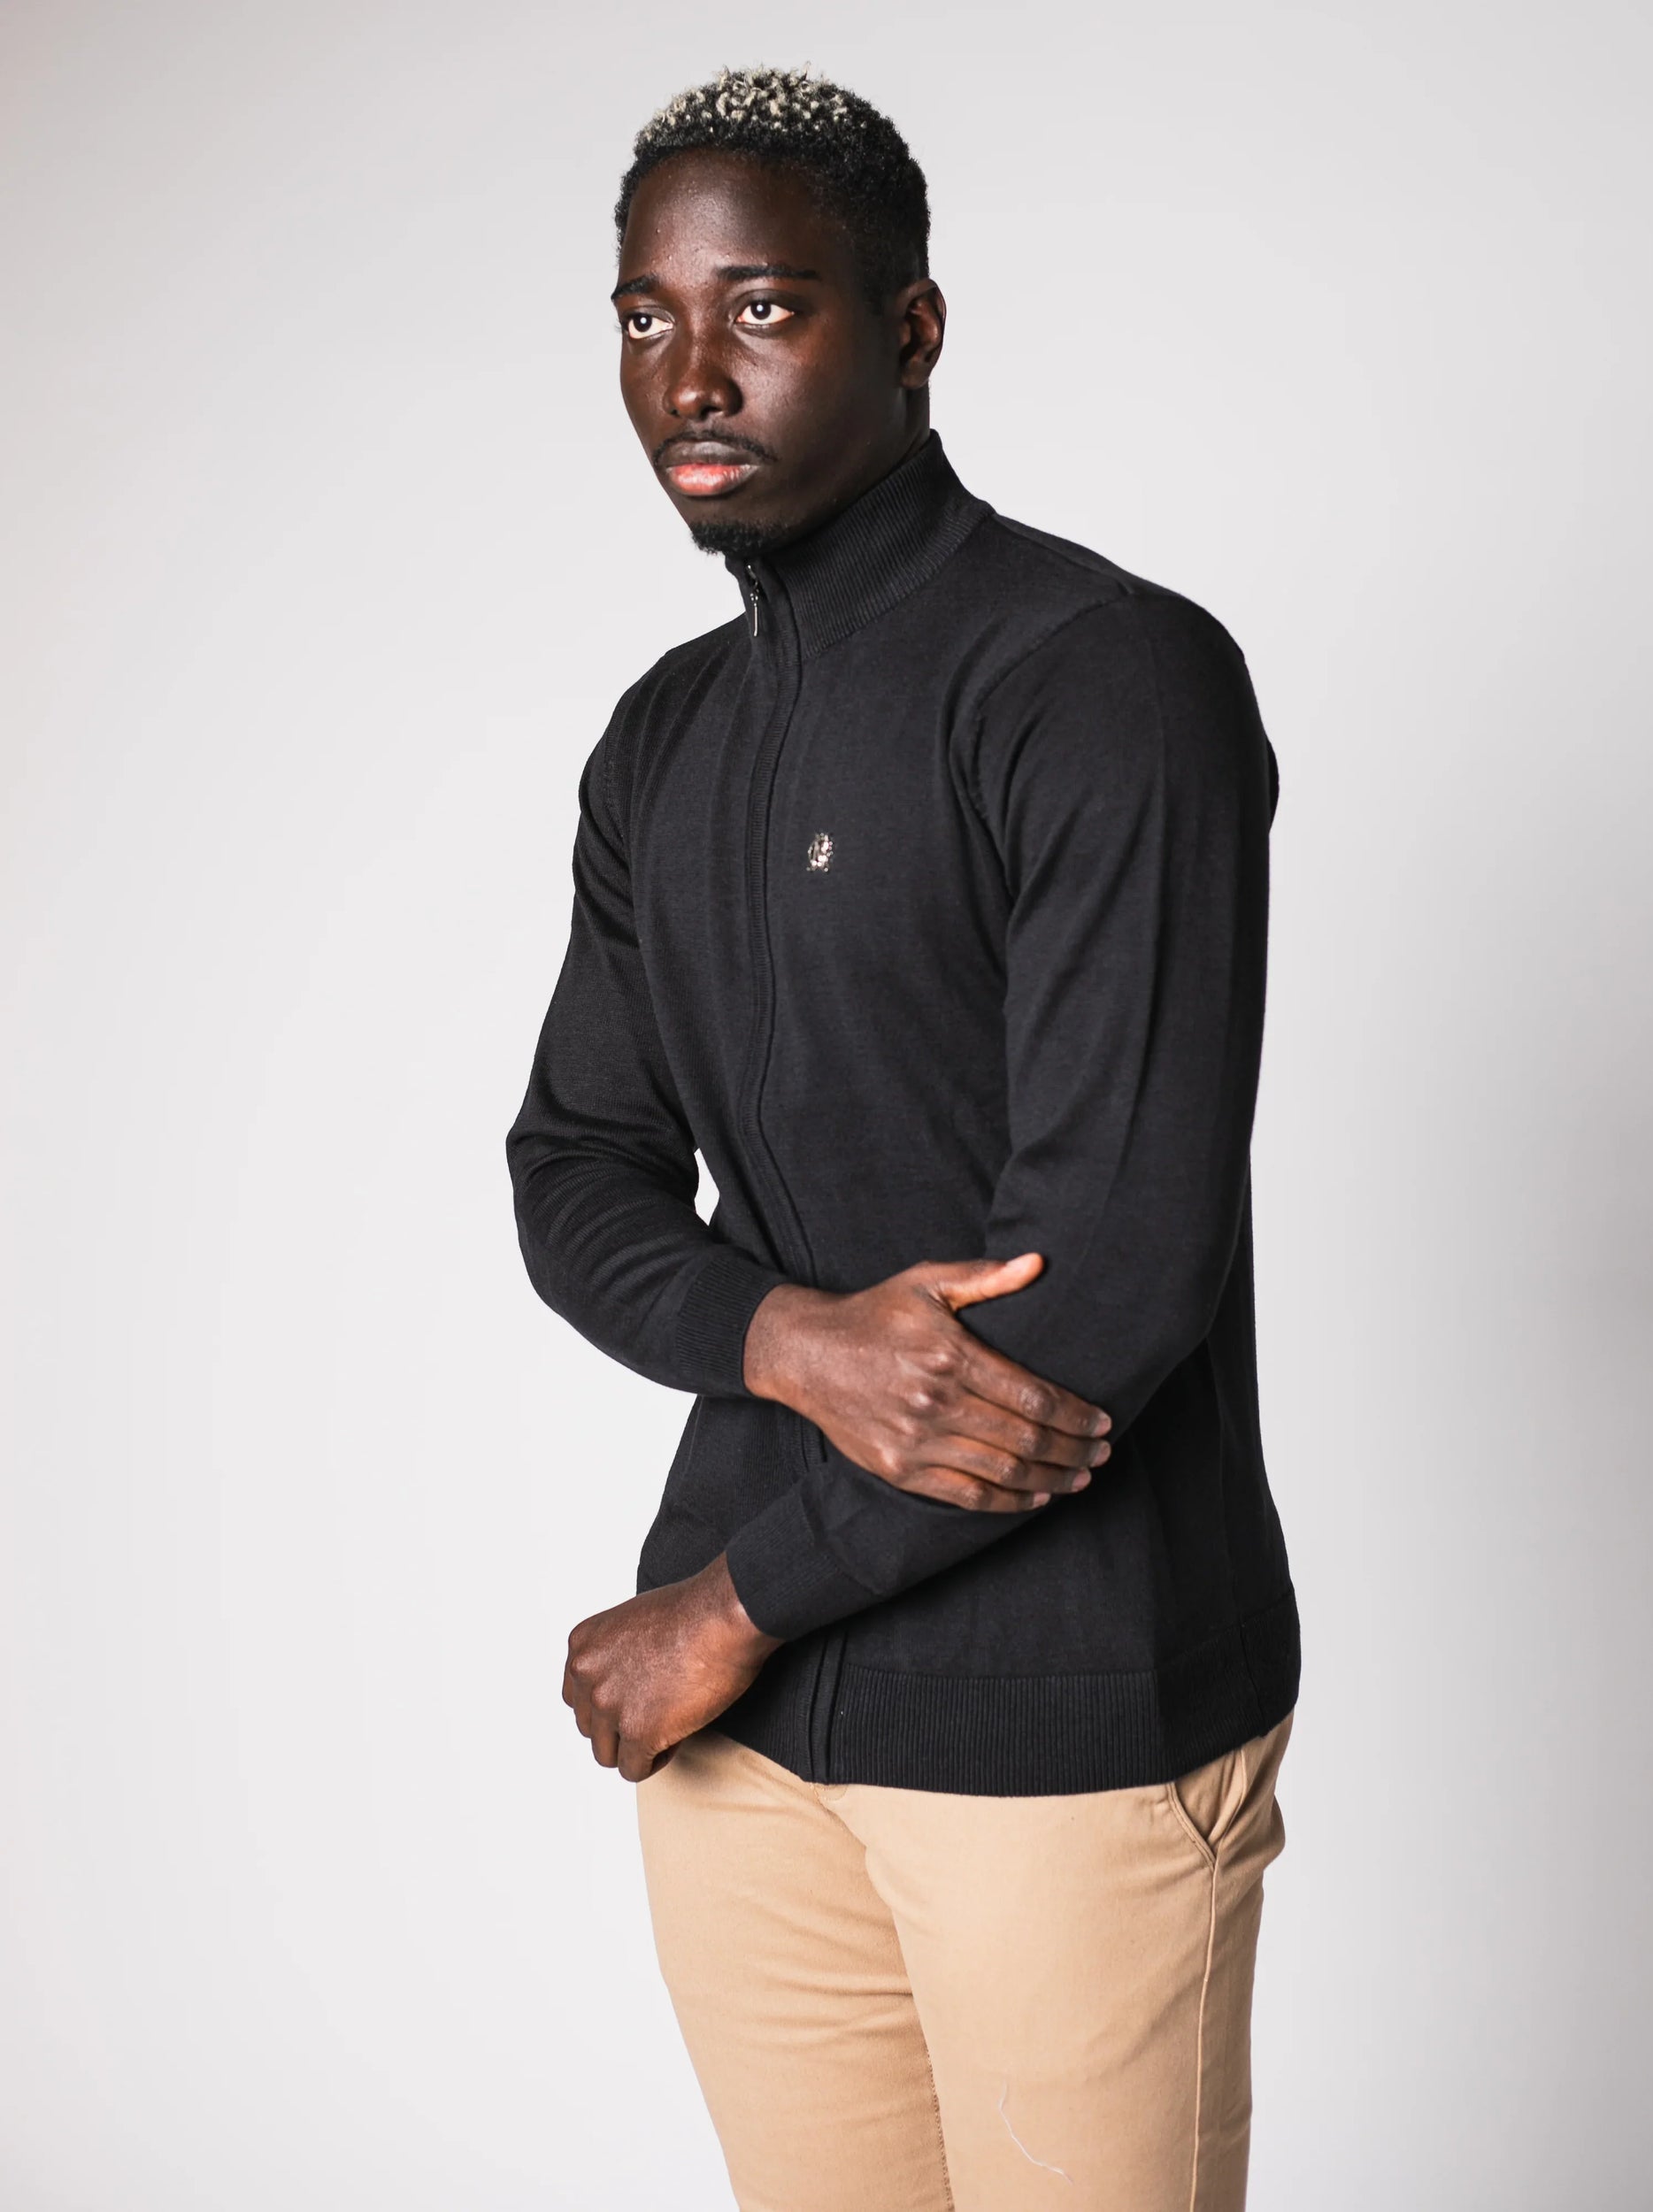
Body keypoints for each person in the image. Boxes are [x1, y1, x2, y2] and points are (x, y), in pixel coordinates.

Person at [505, 65, 1300, 2212]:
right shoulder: (662, 741)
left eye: (761, 308)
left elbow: (1112, 1272)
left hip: (1065, 1726)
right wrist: (787, 1337)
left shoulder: (1103, 678)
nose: (689, 373)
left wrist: (731, 1600)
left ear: (913, 327)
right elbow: (571, 1169)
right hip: (743, 1762)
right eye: (645, 315)